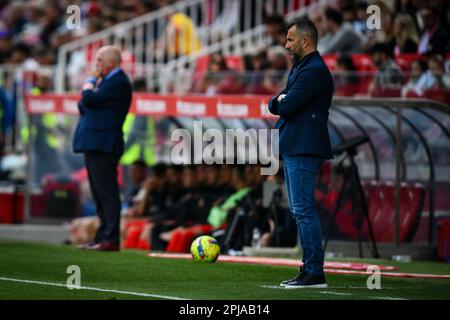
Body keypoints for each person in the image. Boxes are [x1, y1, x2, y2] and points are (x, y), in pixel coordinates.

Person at [268, 18, 333, 288]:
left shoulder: (314, 70)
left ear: (305, 41)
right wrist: (280, 101)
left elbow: (285, 104)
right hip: (296, 144)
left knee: (303, 209)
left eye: (290, 40)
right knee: (299, 210)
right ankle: (310, 269)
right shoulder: (302, 67)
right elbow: (275, 102)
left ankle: (314, 272)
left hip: (305, 146)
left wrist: (282, 101)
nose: (286, 45)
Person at [72, 45, 132, 251]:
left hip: (104, 143)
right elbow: (83, 105)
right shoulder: (106, 82)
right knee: (99, 193)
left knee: (107, 193)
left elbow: (88, 99)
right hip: (96, 143)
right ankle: (102, 235)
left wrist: (89, 82)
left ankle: (111, 239)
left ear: (111, 62)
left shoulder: (118, 82)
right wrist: (91, 92)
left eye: (99, 60)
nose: (96, 65)